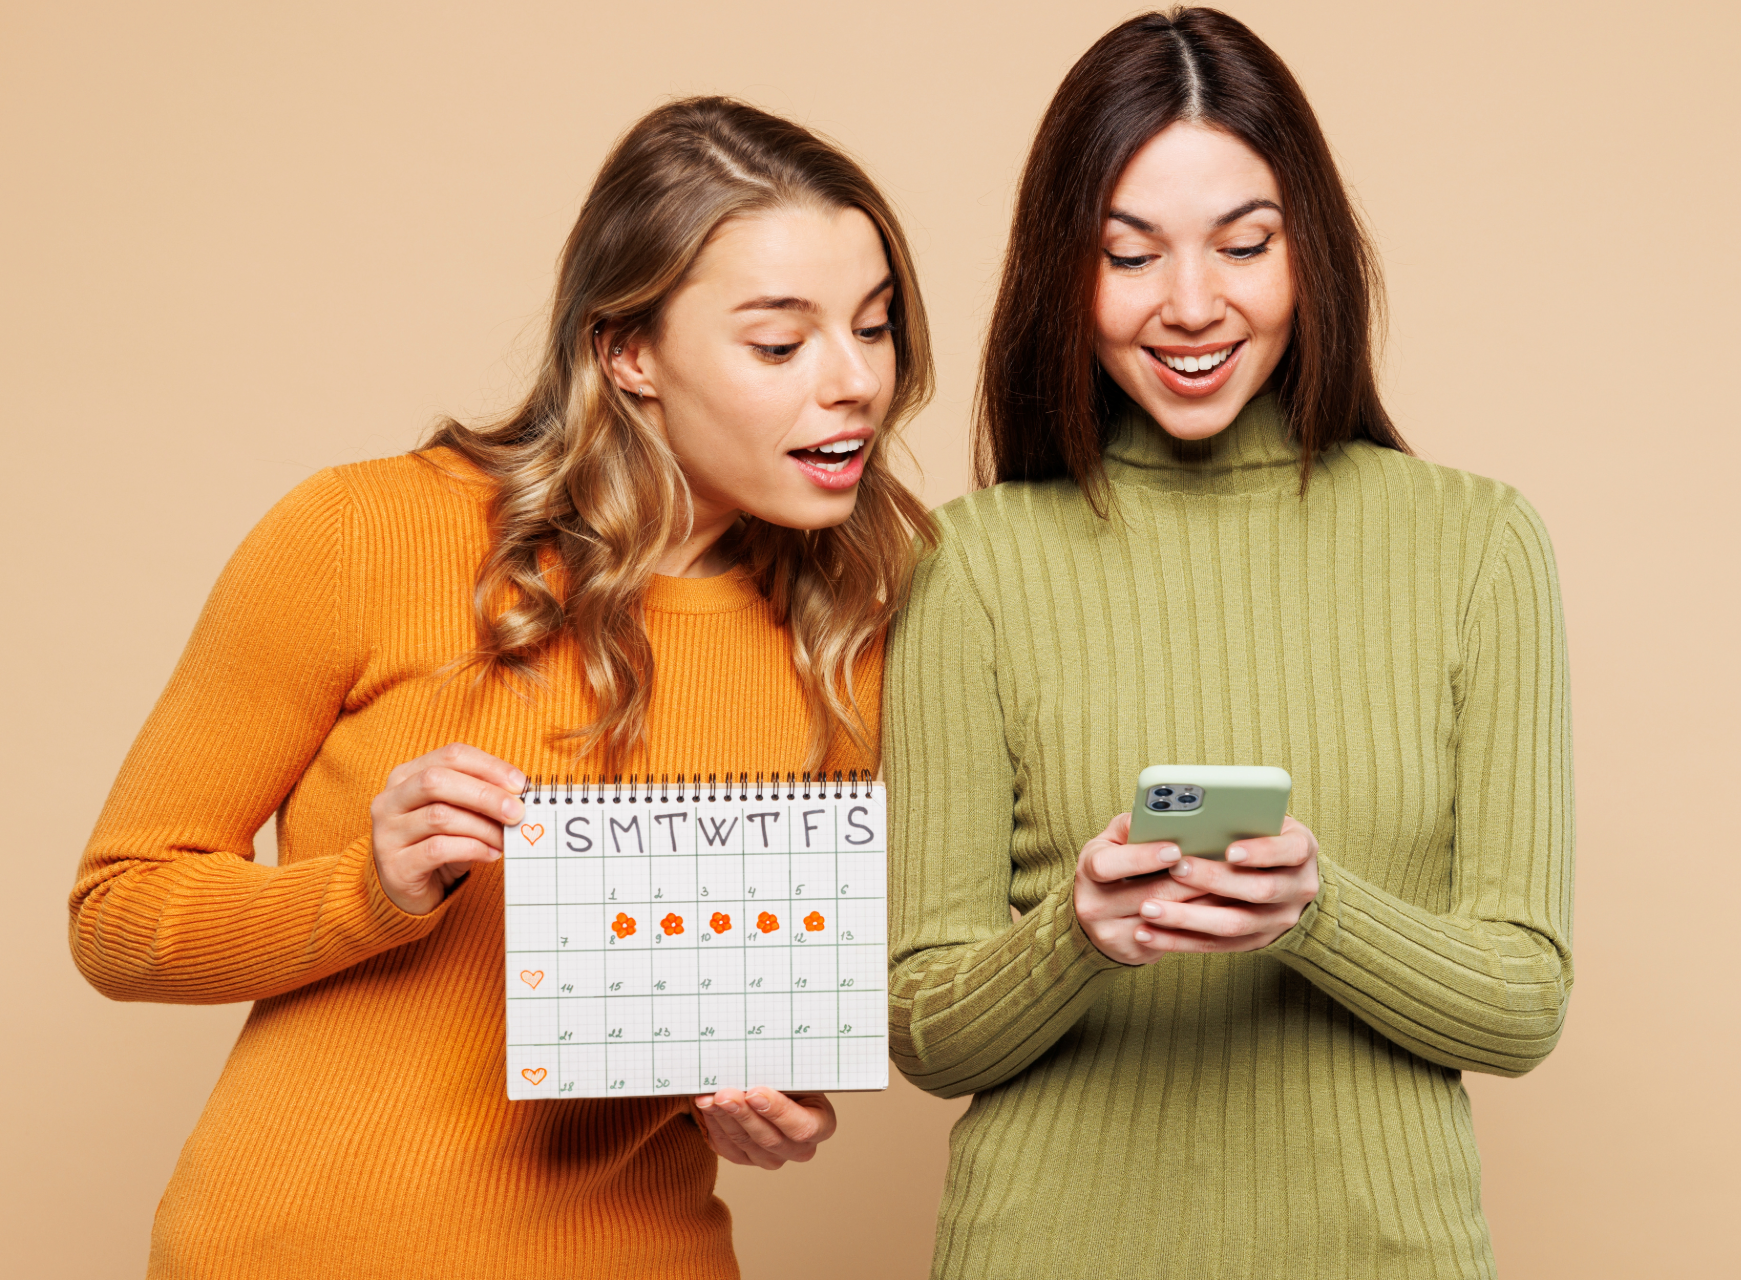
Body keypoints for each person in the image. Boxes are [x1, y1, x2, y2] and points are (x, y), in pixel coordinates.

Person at [70, 96, 934, 1279]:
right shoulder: (364, 532)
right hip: (295, 1251)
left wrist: (770, 1091)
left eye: (875, 326)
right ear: (625, 352)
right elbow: (116, 916)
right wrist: (364, 889)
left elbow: (762, 1011)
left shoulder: (865, 623)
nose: (854, 384)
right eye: (780, 344)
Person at [884, 9, 1573, 1278]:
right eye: (1128, 255)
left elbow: (1525, 1002)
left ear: (1307, 246)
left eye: (1243, 245)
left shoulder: (1477, 543)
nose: (1190, 306)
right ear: (1060, 273)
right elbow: (923, 1027)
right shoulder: (965, 562)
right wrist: (1075, 936)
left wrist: (1316, 910)